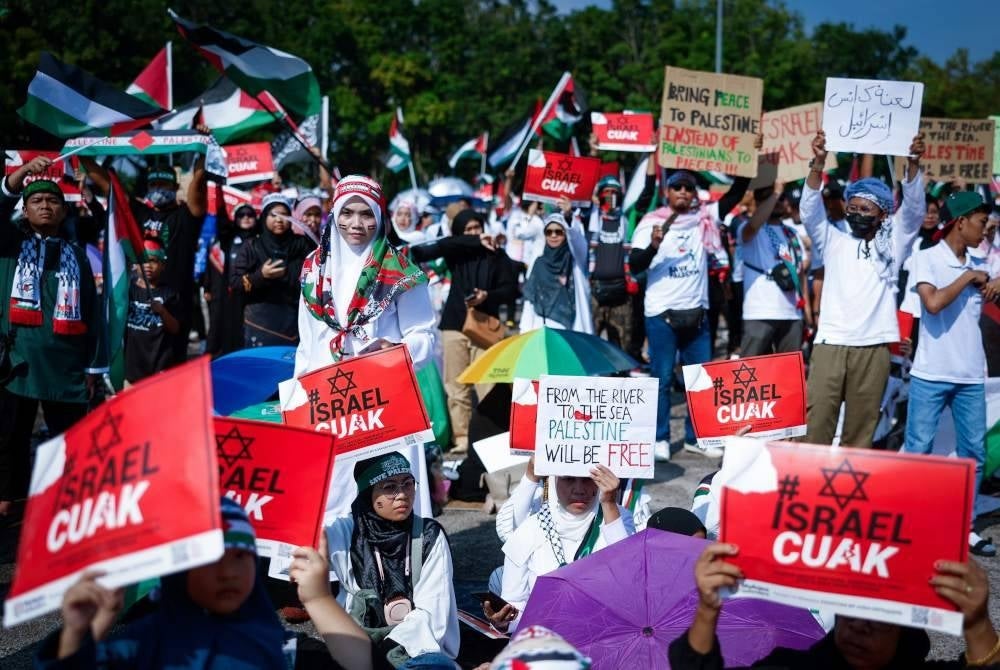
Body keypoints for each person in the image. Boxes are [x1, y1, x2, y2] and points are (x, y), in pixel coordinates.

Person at [35, 497, 374, 669]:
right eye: (211, 559)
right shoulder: (144, 645)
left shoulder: (272, 644)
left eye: (240, 556)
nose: (228, 572)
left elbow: (360, 664)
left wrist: (318, 598)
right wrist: (82, 632)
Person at [668, 542, 1000, 669]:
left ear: (905, 628)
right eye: (850, 613)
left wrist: (976, 623)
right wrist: (707, 610)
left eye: (878, 620)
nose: (859, 627)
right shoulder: (788, 667)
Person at [801, 130, 926, 448]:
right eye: (852, 208)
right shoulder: (833, 240)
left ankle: (848, 480)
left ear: (883, 214)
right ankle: (809, 478)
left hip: (873, 348)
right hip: (830, 344)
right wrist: (817, 164)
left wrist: (912, 164)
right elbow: (809, 210)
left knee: (860, 433)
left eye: (865, 209)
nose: (856, 214)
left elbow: (913, 212)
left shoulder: (894, 244)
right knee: (816, 427)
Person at [1, 160, 104, 518]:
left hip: (67, 368)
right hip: (17, 363)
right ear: (25, 209)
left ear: (63, 210)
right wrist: (21, 174)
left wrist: (92, 368)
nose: (45, 205)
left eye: (52, 201)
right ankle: (10, 503)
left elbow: (92, 313)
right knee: (9, 438)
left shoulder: (78, 256)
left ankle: (66, 509)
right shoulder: (9, 244)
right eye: (37, 200)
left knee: (68, 442)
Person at [629, 170, 750, 461]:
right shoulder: (651, 223)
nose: (683, 191)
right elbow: (635, 265)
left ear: (694, 194)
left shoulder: (705, 218)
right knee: (661, 379)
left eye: (688, 187)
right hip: (662, 315)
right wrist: (654, 246)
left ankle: (697, 437)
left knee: (699, 382)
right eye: (677, 187)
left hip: (697, 315)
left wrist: (749, 159)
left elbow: (736, 193)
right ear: (667, 192)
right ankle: (660, 438)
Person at [903, 191, 998, 557]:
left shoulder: (981, 260)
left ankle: (964, 527)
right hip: (930, 372)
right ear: (961, 222)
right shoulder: (926, 258)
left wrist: (993, 282)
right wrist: (968, 277)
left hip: (971, 375)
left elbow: (992, 287)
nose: (985, 231)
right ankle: (913, 522)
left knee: (974, 454)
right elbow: (933, 303)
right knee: (919, 452)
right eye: (981, 223)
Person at [295, 175, 436, 377]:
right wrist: (299, 390)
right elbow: (307, 343)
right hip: (323, 387)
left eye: (366, 214)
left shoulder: (399, 271)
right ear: (335, 214)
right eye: (347, 213)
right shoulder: (314, 268)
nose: (356, 223)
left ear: (379, 217)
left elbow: (424, 336)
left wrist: (395, 349)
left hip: (380, 384)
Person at [326, 453, 460, 665]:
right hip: (357, 641)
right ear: (368, 493)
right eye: (389, 487)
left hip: (413, 647)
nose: (402, 495)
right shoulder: (346, 532)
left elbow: (433, 610)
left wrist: (387, 652)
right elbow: (300, 549)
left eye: (408, 484)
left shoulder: (428, 535)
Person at [82, 154, 207, 360]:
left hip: (174, 304)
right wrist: (82, 155)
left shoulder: (186, 215)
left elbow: (199, 184)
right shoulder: (138, 213)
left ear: (175, 188)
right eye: (153, 184)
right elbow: (109, 187)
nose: (158, 189)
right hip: (140, 301)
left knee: (171, 364)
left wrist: (202, 153)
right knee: (136, 361)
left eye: (163, 185)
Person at [409, 209, 515, 452]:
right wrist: (472, 241)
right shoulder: (455, 251)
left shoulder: (496, 254)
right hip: (454, 325)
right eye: (468, 229)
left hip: (485, 327)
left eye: (478, 228)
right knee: (456, 386)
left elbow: (510, 290)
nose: (475, 233)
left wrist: (487, 295)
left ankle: (491, 440)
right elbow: (423, 252)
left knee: (489, 386)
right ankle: (463, 439)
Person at [489, 466, 633, 634]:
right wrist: (505, 622)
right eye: (568, 478)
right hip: (546, 640)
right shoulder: (529, 529)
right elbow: (515, 606)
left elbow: (629, 584)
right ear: (553, 479)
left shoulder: (617, 520)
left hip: (603, 637)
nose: (579, 490)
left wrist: (608, 503)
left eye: (588, 479)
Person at [231, 194, 312, 348]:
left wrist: (290, 273)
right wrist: (260, 276)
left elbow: (316, 276)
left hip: (296, 320)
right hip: (260, 323)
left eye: (284, 215)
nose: (279, 220)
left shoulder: (302, 244)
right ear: (264, 217)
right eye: (273, 215)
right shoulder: (252, 246)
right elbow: (235, 282)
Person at [738, 187, 809, 356]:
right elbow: (753, 225)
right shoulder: (748, 229)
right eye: (769, 198)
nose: (777, 201)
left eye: (781, 198)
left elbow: (800, 274)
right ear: (758, 203)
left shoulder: (792, 233)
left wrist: (807, 312)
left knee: (789, 370)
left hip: (792, 314)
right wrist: (776, 192)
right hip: (759, 312)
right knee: (752, 368)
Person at [519, 204, 593, 334]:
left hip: (571, 330)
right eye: (549, 232)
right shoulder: (540, 263)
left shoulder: (576, 261)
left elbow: (578, 241)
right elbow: (530, 301)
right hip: (541, 328)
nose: (553, 235)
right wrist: (524, 331)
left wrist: (568, 215)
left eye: (558, 232)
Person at [588, 176, 636, 354]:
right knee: (589, 343)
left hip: (620, 292)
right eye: (606, 192)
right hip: (595, 291)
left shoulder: (625, 220)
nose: (610, 196)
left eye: (614, 192)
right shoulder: (591, 218)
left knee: (622, 345)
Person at [125, 240, 181, 384]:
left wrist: (162, 311)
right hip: (131, 372)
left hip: (158, 372)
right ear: (136, 264)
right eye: (143, 261)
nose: (148, 265)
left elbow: (175, 328)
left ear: (163, 265)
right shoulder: (127, 290)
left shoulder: (169, 294)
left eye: (153, 261)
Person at [205, 202, 258, 357]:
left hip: (253, 293)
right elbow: (221, 222)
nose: (246, 218)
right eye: (241, 215)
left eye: (250, 215)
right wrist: (207, 286)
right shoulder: (228, 239)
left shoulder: (260, 238)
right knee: (228, 329)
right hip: (230, 294)